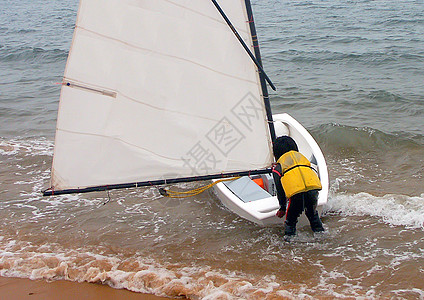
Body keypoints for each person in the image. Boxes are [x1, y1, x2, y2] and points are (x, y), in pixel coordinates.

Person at [272, 136, 325, 237]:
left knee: (290, 221)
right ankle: (321, 235)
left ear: (276, 153)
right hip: (313, 191)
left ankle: (289, 244)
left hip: (296, 196)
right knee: (312, 215)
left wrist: (282, 208)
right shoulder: (302, 159)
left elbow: (280, 190)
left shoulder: (278, 167)